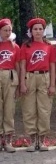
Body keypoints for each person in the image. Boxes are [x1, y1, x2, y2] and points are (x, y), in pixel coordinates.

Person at [19, 18, 56, 152]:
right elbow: (22, 66)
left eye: (40, 29)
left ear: (43, 30)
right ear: (31, 31)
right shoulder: (25, 46)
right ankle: (32, 139)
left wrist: (52, 84)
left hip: (44, 77)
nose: (38, 31)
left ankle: (42, 139)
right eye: (35, 29)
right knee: (29, 109)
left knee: (44, 109)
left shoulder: (49, 47)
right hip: (30, 76)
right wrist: (22, 83)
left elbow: (53, 66)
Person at [0, 18, 20, 153]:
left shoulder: (15, 46)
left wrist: (19, 84)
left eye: (9, 30)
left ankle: (8, 140)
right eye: (5, 30)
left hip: (10, 76)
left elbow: (18, 65)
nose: (7, 33)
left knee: (9, 108)